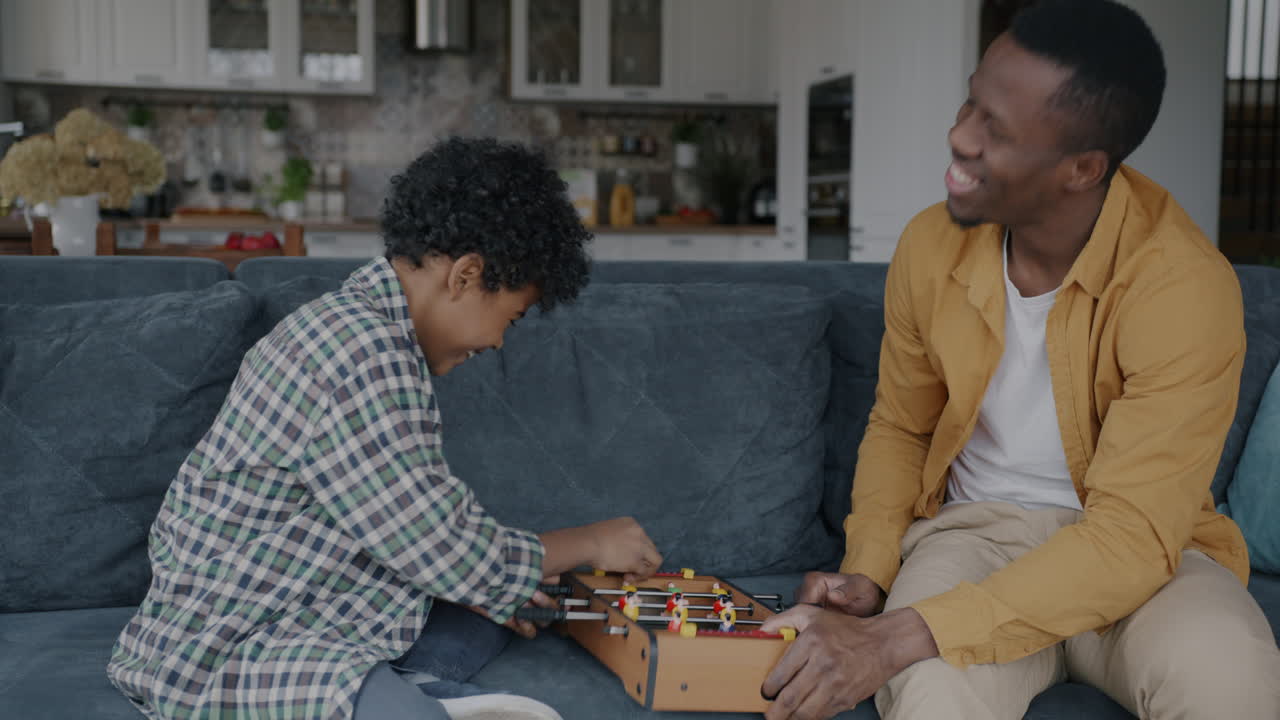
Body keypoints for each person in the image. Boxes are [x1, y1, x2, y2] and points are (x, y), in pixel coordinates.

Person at [760, 2, 1280, 718]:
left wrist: (893, 638)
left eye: (994, 129)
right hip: (973, 537)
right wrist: (870, 572)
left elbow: (1129, 539)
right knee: (931, 696)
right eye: (970, 103)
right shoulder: (930, 246)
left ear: (1082, 169)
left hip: (1146, 561)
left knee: (1233, 675)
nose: (958, 136)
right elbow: (901, 428)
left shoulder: (1184, 286)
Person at [107, 137, 664, 720]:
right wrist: (592, 542)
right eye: (511, 318)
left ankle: (421, 682)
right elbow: (435, 541)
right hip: (236, 634)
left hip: (319, 594)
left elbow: (405, 529)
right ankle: (418, 702)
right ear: (467, 275)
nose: (499, 341)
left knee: (498, 610)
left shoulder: (369, 332)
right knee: (461, 608)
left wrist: (485, 584)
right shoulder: (359, 350)